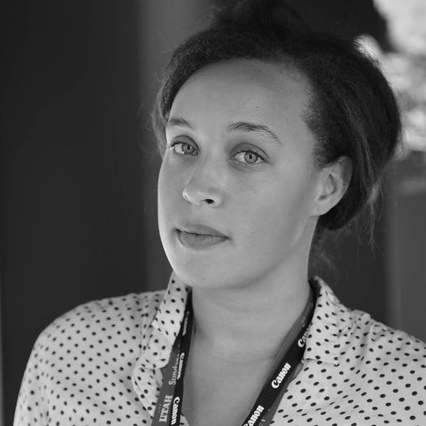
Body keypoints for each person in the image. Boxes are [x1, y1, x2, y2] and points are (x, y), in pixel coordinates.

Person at [14, 0, 426, 425]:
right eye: (184, 146)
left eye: (248, 154)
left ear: (330, 185)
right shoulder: (70, 357)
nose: (195, 189)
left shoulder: (410, 395)